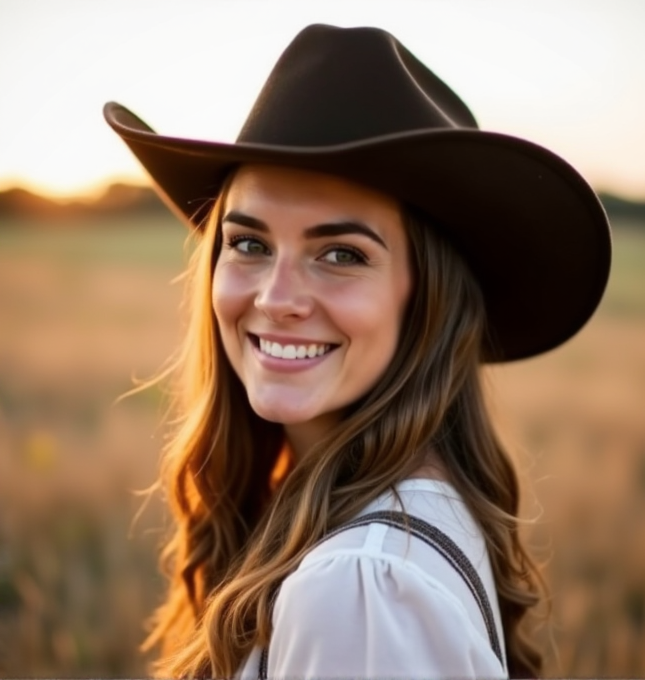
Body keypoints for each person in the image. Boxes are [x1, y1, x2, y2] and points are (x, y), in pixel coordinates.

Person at [104, 23, 610, 679]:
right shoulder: (396, 521)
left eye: (341, 254)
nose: (277, 297)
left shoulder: (362, 587)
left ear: (426, 299)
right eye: (250, 243)